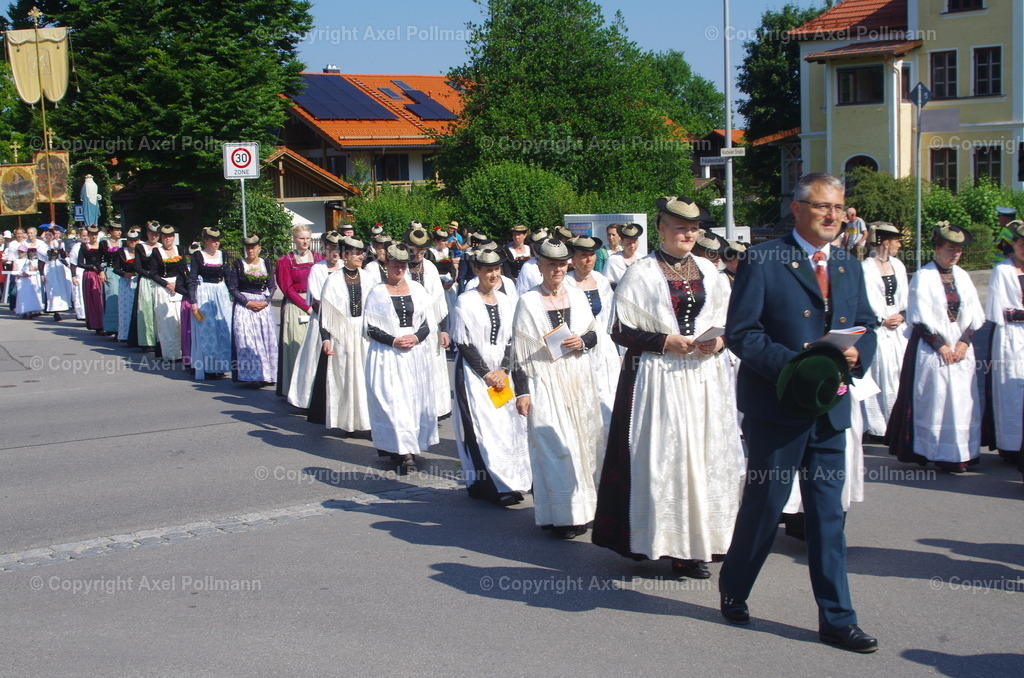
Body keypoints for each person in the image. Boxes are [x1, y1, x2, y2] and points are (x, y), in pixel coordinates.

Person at [719, 172, 879, 653]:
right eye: (822, 206)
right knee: (766, 507)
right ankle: (736, 585)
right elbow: (743, 333)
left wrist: (858, 353)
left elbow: (867, 325)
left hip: (830, 410)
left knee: (827, 517)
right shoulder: (764, 259)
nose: (833, 216)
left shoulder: (849, 266)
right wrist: (798, 368)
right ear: (797, 208)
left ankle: (837, 618)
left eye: (839, 207)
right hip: (777, 408)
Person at [593, 196, 741, 580]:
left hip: (704, 379)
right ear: (661, 229)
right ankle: (670, 543)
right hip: (658, 379)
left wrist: (719, 342)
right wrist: (664, 342)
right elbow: (619, 329)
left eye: (693, 228)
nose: (688, 234)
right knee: (668, 459)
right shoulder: (641, 273)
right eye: (679, 227)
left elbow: (732, 322)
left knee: (704, 455)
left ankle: (702, 541)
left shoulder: (710, 271)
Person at [512, 238, 604, 539]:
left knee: (581, 445)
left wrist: (582, 341)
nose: (557, 269)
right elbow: (519, 352)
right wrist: (522, 391)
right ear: (539, 266)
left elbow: (593, 334)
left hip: (577, 378)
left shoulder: (578, 296)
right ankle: (559, 515)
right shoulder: (527, 301)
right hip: (544, 381)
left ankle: (582, 511)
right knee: (553, 448)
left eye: (562, 263)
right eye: (551, 264)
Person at [887, 223, 984, 473]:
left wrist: (964, 342)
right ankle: (936, 451)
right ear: (937, 248)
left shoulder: (962, 276)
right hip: (933, 349)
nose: (955, 254)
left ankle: (960, 453)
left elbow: (974, 312)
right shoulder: (924, 276)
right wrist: (941, 346)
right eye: (950, 249)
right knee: (937, 400)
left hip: (961, 348)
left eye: (959, 251)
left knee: (962, 401)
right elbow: (918, 316)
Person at [451, 249, 531, 506]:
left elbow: (512, 340)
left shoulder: (507, 301)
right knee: (483, 427)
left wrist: (503, 370)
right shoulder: (465, 301)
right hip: (475, 374)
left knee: (507, 427)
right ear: (477, 271)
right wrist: (486, 373)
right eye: (488, 270)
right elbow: (464, 344)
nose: (493, 274)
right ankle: (489, 485)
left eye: (496, 269)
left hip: (501, 373)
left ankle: (510, 481)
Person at [364, 242, 439, 474]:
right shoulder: (377, 292)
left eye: (403, 266)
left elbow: (429, 322)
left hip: (414, 355)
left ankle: (411, 447)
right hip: (388, 355)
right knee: (393, 402)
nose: (399, 270)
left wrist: (416, 337)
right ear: (386, 265)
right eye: (395, 265)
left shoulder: (417, 290)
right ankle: (400, 450)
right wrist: (393, 340)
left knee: (413, 402)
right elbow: (370, 328)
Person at [306, 236, 374, 437]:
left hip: (363, 334)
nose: (361, 256)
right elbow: (326, 314)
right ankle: (348, 422)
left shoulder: (369, 278)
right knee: (345, 377)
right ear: (345, 256)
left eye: (362, 252)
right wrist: (326, 339)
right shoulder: (333, 280)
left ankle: (370, 421)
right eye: (356, 253)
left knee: (366, 379)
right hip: (342, 335)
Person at [564, 235, 618, 436]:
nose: (588, 260)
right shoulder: (566, 283)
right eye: (583, 255)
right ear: (573, 259)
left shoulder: (601, 281)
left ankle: (607, 444)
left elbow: (609, 315)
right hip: (576, 346)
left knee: (606, 393)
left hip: (603, 347)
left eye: (591, 255)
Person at [860, 223, 908, 438]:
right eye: (897, 240)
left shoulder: (898, 265)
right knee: (881, 370)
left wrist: (902, 314)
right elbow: (868, 297)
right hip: (878, 326)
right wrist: (881, 319)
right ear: (886, 242)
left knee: (899, 370)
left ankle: (898, 421)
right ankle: (879, 425)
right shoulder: (867, 267)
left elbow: (905, 295)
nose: (899, 245)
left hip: (898, 325)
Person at [984, 219, 1024, 465]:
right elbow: (996, 310)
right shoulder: (1003, 270)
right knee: (1011, 390)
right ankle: (1011, 445)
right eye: (1021, 243)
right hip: (1010, 336)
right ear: (1013, 244)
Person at [288, 232, 343, 408]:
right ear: (324, 249)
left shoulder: (344, 267)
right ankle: (312, 398)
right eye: (330, 249)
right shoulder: (317, 269)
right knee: (315, 360)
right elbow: (317, 299)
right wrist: (331, 318)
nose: (333, 253)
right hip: (322, 321)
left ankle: (339, 399)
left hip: (343, 323)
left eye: (336, 249)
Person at [404, 226, 452, 419]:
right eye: (414, 250)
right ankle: (411, 410)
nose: (418, 254)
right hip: (408, 326)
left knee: (431, 368)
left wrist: (444, 329)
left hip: (431, 326)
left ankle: (432, 410)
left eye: (422, 250)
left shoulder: (431, 268)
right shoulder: (401, 268)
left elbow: (440, 301)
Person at [275, 225, 323, 398]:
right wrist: (307, 306)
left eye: (308, 238)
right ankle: (295, 391)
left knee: (315, 349)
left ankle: (314, 391)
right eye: (301, 238)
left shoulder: (319, 259)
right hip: (296, 307)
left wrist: (316, 305)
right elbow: (287, 289)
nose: (305, 242)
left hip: (315, 304)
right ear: (294, 239)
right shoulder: (285, 261)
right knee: (296, 347)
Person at [228, 234, 278, 385]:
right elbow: (232, 287)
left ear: (259, 248)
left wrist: (266, 301)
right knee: (247, 339)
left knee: (266, 339)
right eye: (248, 247)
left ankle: (267, 374)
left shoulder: (266, 263)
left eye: (253, 247)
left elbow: (272, 285)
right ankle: (252, 375)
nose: (251, 250)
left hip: (262, 305)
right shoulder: (238, 264)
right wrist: (247, 302)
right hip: (245, 307)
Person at [187, 227, 233, 380]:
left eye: (218, 240)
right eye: (213, 240)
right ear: (205, 240)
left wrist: (234, 297)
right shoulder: (198, 256)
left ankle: (222, 365)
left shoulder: (223, 255)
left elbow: (228, 277)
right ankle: (208, 367)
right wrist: (193, 302)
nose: (216, 243)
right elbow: (192, 279)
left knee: (223, 328)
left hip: (221, 292)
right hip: (204, 292)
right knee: (207, 330)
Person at [151, 225, 187, 360]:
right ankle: (170, 354)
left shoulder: (180, 249)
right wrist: (166, 284)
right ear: (161, 237)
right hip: (163, 288)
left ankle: (183, 352)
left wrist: (179, 283)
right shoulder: (157, 252)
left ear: (173, 237)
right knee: (166, 323)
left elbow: (184, 269)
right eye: (165, 236)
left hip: (179, 286)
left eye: (170, 236)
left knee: (179, 321)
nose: (168, 239)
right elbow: (153, 273)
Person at [127, 222, 162, 352]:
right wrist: (151, 275)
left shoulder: (162, 247)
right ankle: (147, 341)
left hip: (160, 281)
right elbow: (137, 267)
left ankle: (160, 340)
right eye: (152, 233)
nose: (154, 236)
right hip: (146, 281)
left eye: (157, 234)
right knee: (146, 310)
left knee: (160, 310)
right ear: (147, 233)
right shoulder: (141, 247)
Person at [73, 225, 106, 333]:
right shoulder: (84, 247)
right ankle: (97, 324)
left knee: (104, 299)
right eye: (91, 235)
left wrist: (101, 269)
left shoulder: (102, 245)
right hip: (90, 275)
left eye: (95, 234)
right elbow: (80, 263)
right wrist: (92, 267)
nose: (93, 237)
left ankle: (107, 324)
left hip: (102, 273)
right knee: (94, 300)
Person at [113, 229, 140, 341]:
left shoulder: (141, 252)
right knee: (125, 308)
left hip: (138, 281)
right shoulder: (121, 252)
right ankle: (124, 334)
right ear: (127, 241)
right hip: (125, 282)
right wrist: (125, 274)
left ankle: (138, 335)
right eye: (130, 240)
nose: (133, 242)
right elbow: (115, 268)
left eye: (135, 240)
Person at [99, 224, 123, 336]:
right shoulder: (104, 243)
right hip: (110, 270)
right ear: (111, 231)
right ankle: (112, 327)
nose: (119, 232)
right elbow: (100, 259)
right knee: (112, 297)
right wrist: (101, 271)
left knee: (122, 298)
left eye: (120, 230)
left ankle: (122, 326)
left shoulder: (123, 243)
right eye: (116, 230)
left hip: (122, 271)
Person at [603, 223, 643, 288]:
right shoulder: (613, 260)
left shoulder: (642, 259)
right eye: (628, 243)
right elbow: (606, 283)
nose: (632, 246)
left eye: (634, 242)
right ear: (622, 242)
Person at [41, 244, 73, 322]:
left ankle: (60, 307)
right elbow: (41, 261)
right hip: (49, 268)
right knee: (51, 289)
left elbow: (63, 257)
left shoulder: (59, 244)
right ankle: (54, 310)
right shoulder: (42, 246)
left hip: (58, 268)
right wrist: (42, 274)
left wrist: (60, 248)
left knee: (60, 288)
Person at [14, 244, 43, 317]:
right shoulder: (16, 261)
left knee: (29, 296)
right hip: (20, 281)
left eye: (22, 252)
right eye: (19, 252)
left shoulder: (28, 261)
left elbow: (31, 270)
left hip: (28, 280)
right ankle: (23, 311)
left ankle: (29, 311)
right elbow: (14, 272)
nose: (21, 253)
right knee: (22, 296)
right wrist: (22, 275)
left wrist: (34, 269)